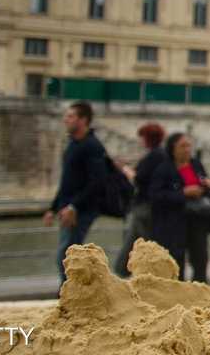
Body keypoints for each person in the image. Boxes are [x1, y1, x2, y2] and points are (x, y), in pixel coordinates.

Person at [43, 101, 108, 283]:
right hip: (69, 208)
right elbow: (67, 182)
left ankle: (73, 297)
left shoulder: (91, 146)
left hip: (79, 209)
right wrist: (53, 208)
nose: (65, 120)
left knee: (67, 257)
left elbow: (98, 181)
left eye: (70, 116)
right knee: (68, 256)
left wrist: (74, 206)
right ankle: (71, 296)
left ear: (83, 120)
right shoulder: (74, 145)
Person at [148, 132, 210, 282]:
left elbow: (205, 182)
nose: (187, 149)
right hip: (174, 223)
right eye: (182, 146)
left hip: (197, 220)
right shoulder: (164, 169)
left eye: (188, 146)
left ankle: (200, 290)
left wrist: (209, 184)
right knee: (176, 260)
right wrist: (182, 193)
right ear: (173, 148)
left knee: (200, 258)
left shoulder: (196, 164)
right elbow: (155, 195)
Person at [112, 122, 167, 276]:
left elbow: (139, 179)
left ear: (147, 138)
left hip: (143, 208)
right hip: (151, 208)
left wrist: (124, 169)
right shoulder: (161, 155)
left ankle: (124, 272)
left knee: (137, 244)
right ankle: (130, 271)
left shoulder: (153, 156)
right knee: (141, 243)